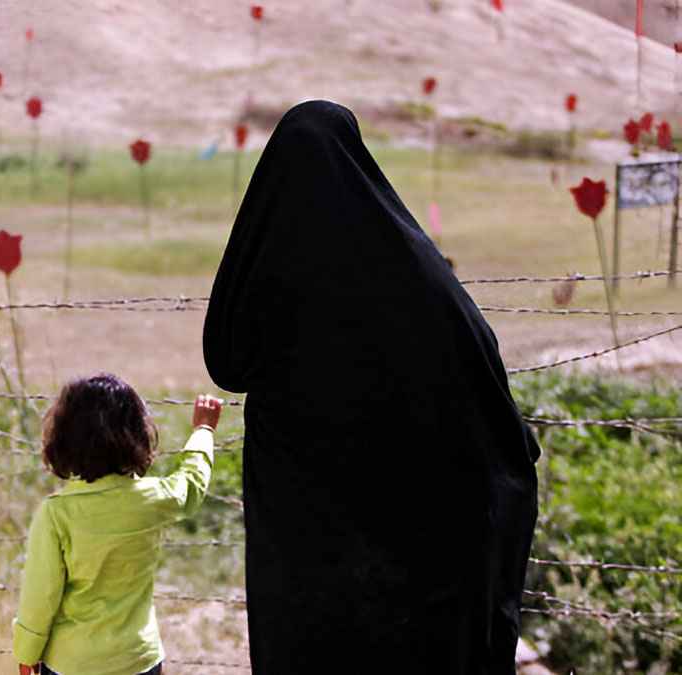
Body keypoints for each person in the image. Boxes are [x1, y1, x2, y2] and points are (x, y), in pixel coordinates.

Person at [202, 100, 539, 673]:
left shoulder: (270, 272)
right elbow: (486, 398)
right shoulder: (419, 273)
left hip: (307, 562)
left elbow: (226, 361)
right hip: (419, 567)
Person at [12, 373, 223, 675]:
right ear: (138, 434)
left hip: (72, 663)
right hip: (138, 659)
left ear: (63, 439)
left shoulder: (57, 514)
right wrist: (203, 430)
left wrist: (27, 651)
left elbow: (40, 596)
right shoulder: (152, 499)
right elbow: (191, 483)